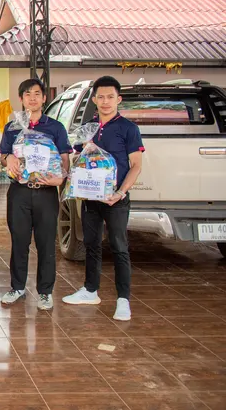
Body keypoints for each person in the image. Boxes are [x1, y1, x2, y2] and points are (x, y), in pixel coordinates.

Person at [62, 76, 143, 322]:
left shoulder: (128, 128)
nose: (105, 102)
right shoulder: (89, 127)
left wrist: (120, 192)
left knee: (119, 248)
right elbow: (75, 158)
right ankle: (90, 290)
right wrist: (81, 150)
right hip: (90, 197)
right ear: (94, 99)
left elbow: (136, 166)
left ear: (118, 99)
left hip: (115, 199)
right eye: (101, 97)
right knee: (91, 244)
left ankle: (123, 300)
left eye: (110, 97)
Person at [0, 78, 72, 311]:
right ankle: (17, 287)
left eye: (37, 93)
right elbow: (2, 156)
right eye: (27, 94)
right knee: (19, 241)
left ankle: (45, 291)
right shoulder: (12, 127)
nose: (32, 98)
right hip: (19, 192)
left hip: (46, 192)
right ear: (21, 99)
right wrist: (7, 158)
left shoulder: (55, 127)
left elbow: (64, 158)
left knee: (46, 243)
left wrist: (62, 177)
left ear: (44, 98)